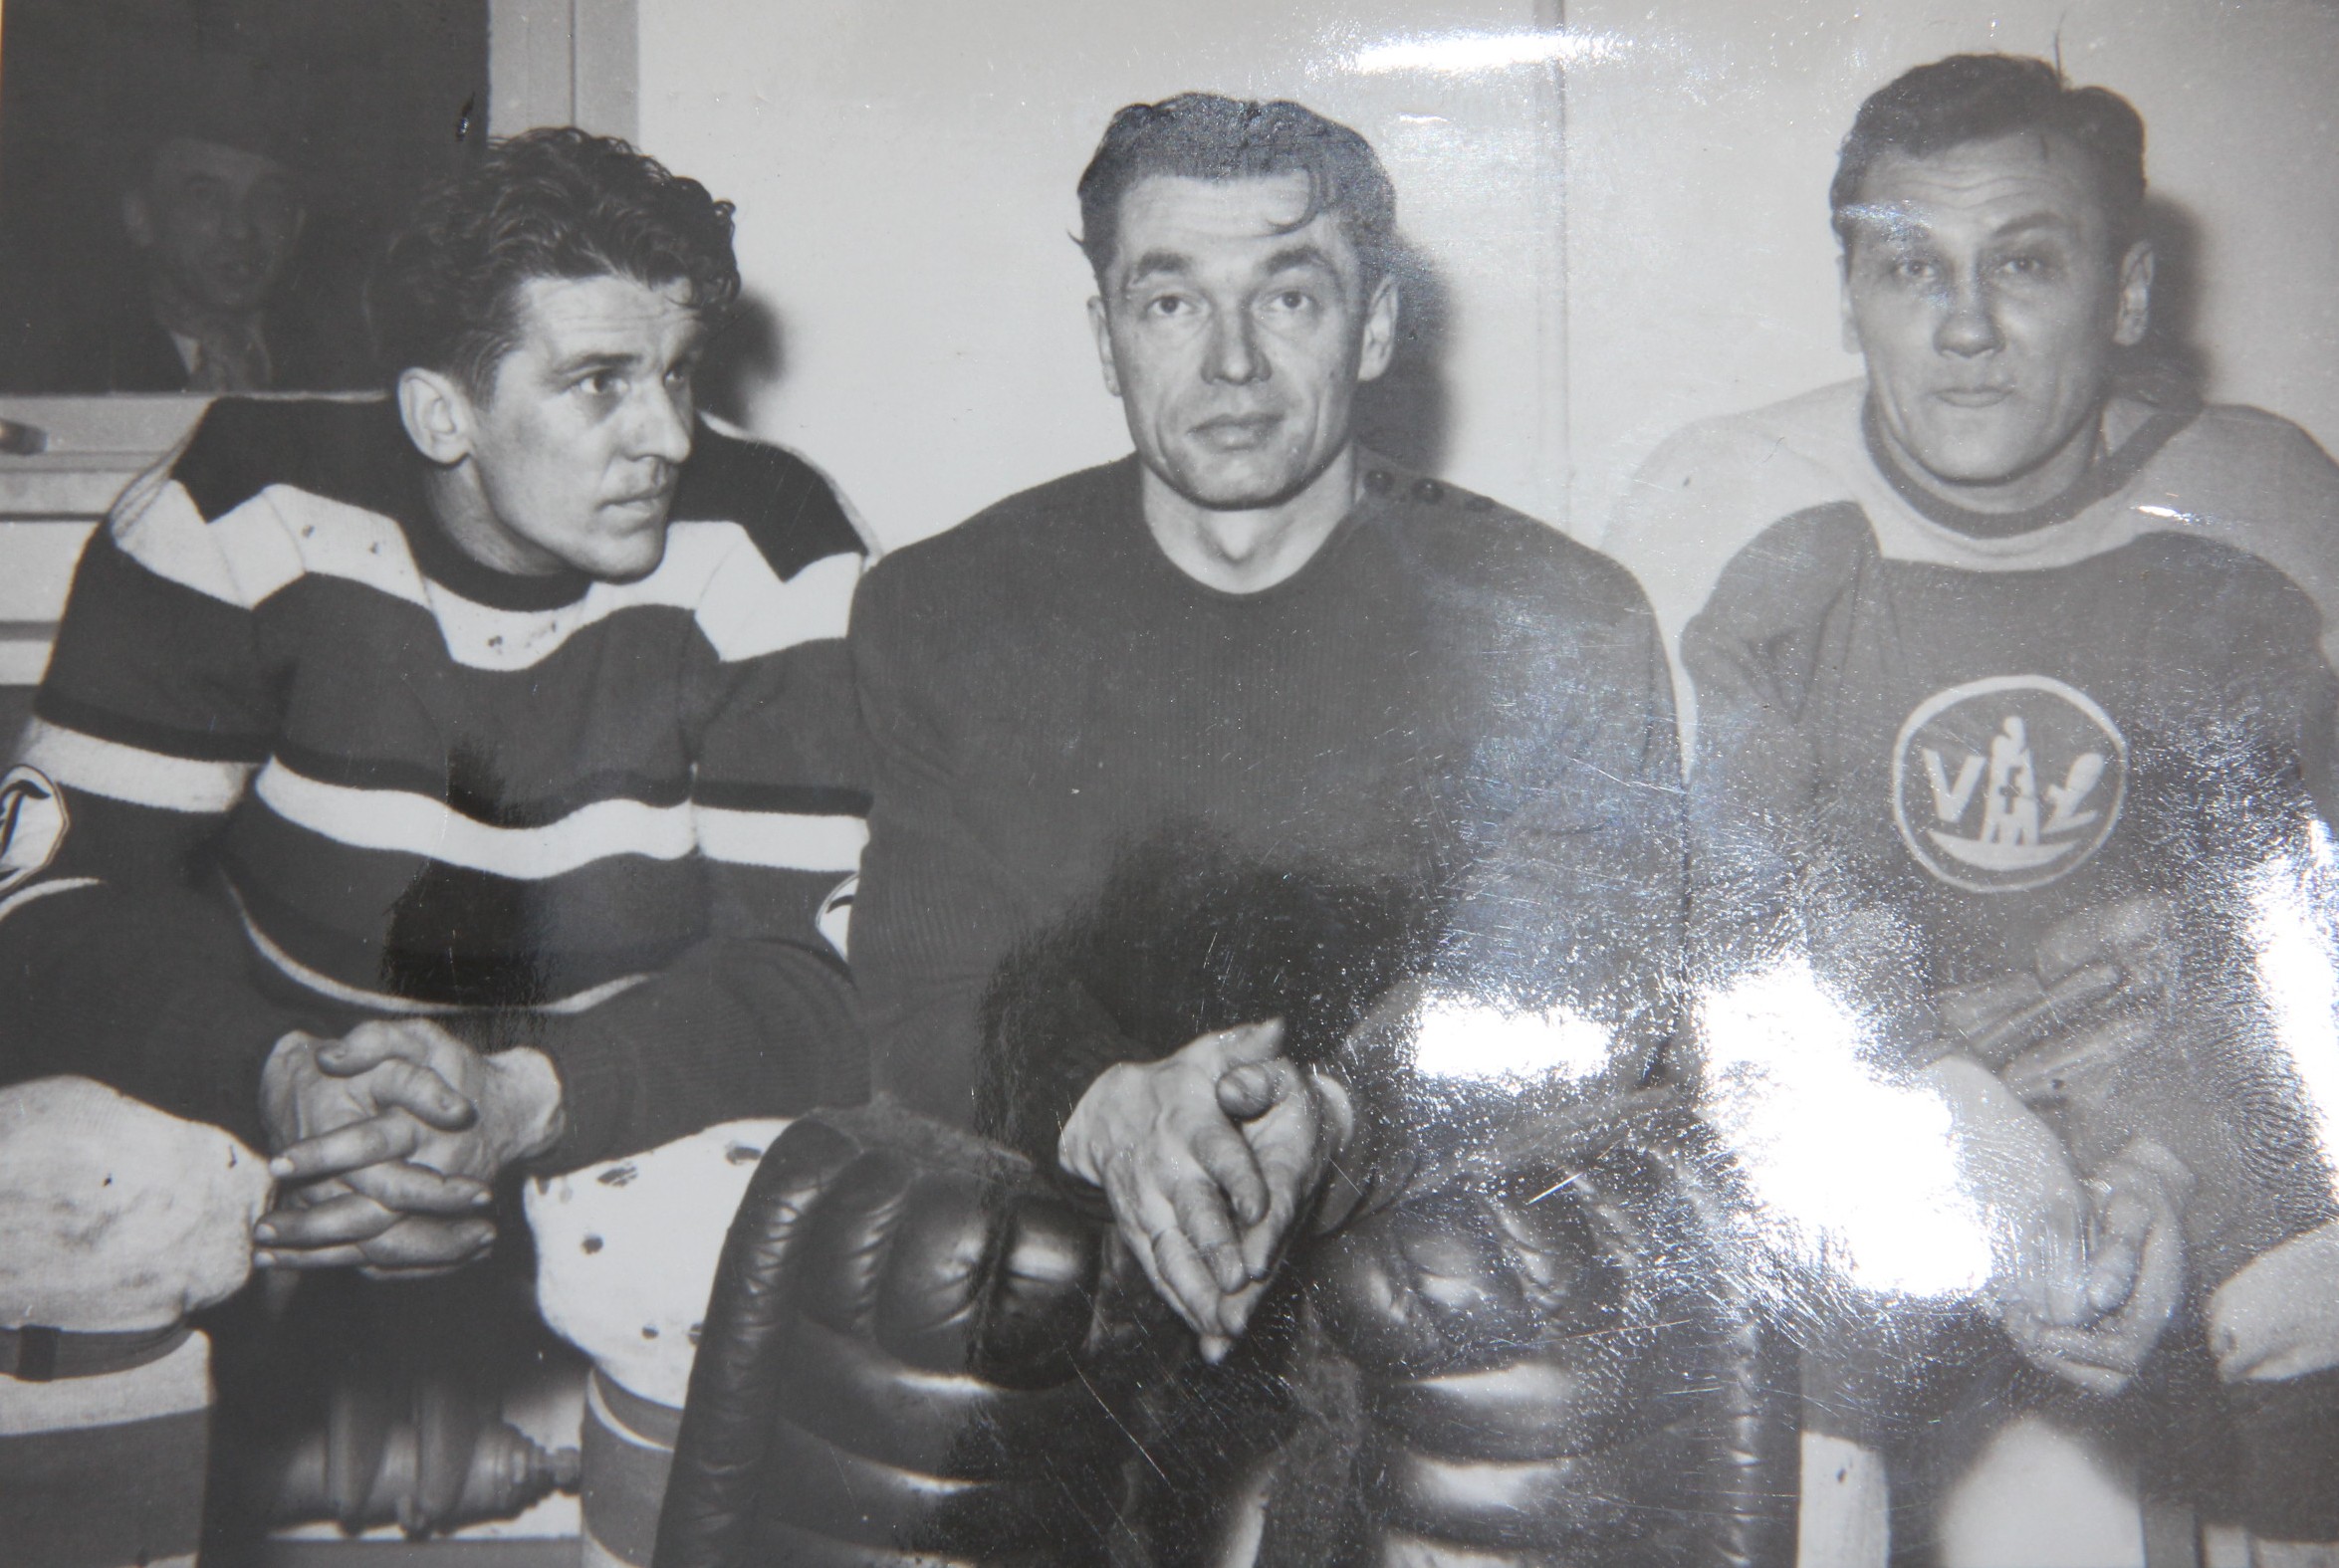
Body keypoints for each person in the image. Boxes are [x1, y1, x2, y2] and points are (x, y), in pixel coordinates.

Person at [0, 127, 868, 1566]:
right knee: (54, 1182)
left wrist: (526, 1101)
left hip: (605, 1099)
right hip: (289, 1090)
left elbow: (820, 971)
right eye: (598, 381)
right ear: (440, 413)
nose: (667, 433)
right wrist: (279, 1079)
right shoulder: (239, 499)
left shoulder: (773, 535)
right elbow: (52, 906)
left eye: (678, 372)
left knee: (731, 1225)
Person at [846, 94, 1687, 1554]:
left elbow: (1572, 967)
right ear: (1106, 336)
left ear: (1374, 326)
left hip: (1410, 1219)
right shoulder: (948, 609)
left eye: (1287, 296)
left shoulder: (1552, 615)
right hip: (1069, 1231)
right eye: (1170, 300)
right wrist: (1110, 1111)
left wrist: (1342, 1117)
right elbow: (924, 980)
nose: (1230, 362)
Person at [1606, 53, 2339, 1565]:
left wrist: (2166, 1161)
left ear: (2125, 295)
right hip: (1874, 1089)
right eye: (1907, 268)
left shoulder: (2253, 506)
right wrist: (1940, 1123)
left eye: (2023, 264)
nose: (1961, 328)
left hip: (2173, 1078)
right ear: (1851, 295)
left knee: (2320, 1291)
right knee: (1765, 1299)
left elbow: (2299, 933)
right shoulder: (1736, 503)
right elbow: (1711, 931)